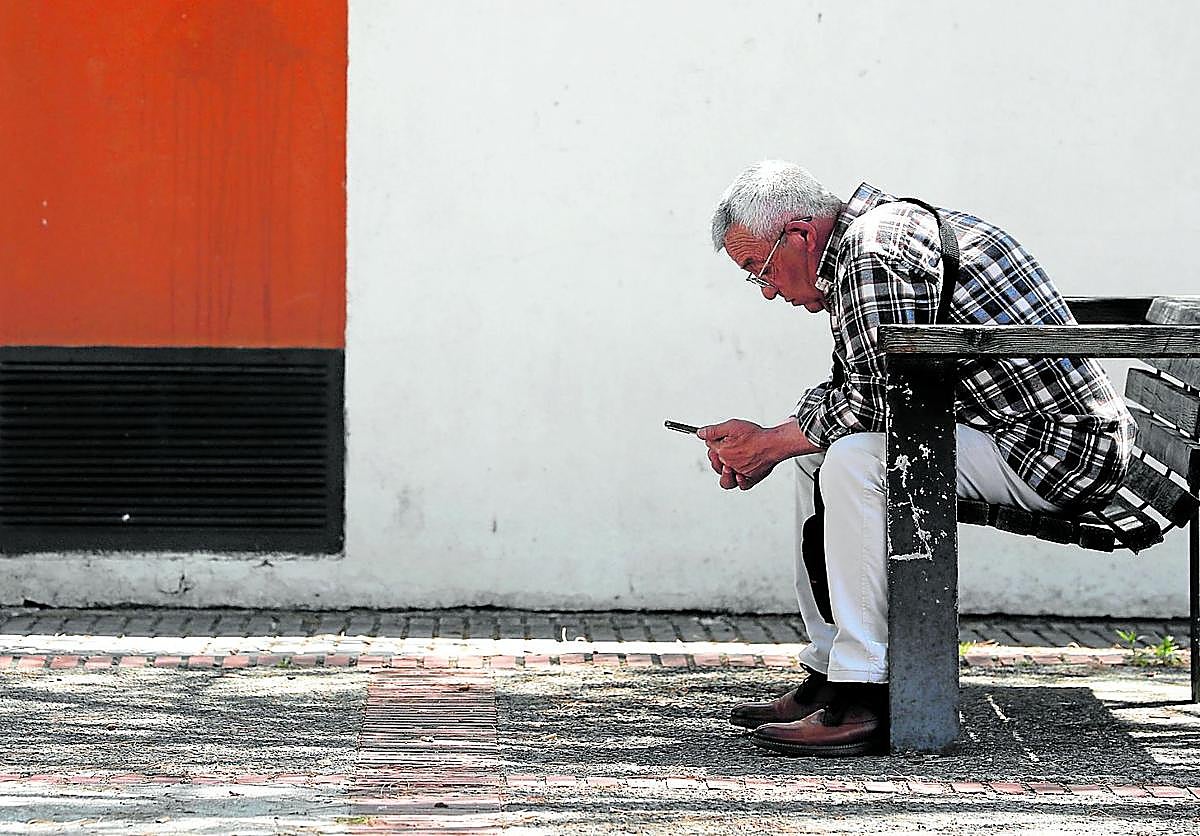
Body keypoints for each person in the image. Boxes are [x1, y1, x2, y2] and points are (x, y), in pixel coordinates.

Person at [699, 160, 1135, 757]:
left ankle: (866, 691)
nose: (769, 290)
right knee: (816, 458)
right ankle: (833, 667)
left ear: (800, 235)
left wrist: (771, 442)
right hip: (1017, 436)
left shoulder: (873, 253)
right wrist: (775, 441)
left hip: (1057, 452)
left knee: (855, 460)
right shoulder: (869, 240)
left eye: (761, 269)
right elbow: (859, 386)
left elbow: (877, 404)